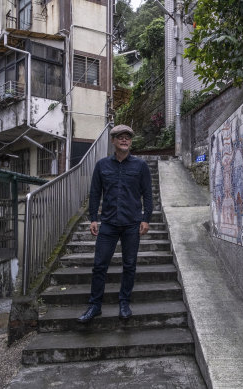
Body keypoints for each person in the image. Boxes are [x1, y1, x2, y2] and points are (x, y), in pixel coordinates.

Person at [77, 124, 153, 323]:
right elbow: (95, 193)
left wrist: (146, 219)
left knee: (129, 265)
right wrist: (93, 218)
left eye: (128, 137)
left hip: (132, 224)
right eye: (120, 137)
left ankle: (124, 303)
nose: (125, 140)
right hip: (109, 223)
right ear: (113, 141)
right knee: (99, 265)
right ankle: (95, 305)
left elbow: (147, 194)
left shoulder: (140, 166)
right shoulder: (102, 165)